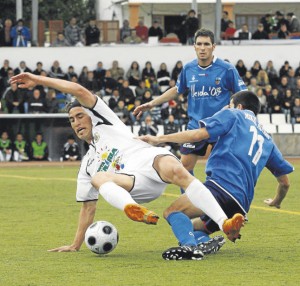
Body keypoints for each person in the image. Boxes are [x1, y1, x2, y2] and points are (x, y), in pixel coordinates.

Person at [11, 72, 243, 254]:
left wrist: (38, 80)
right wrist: (75, 244)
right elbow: (88, 208)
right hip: (132, 184)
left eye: (80, 116)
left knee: (176, 169)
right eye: (71, 120)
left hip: (148, 159)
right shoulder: (87, 163)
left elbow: (78, 89)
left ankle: (225, 223)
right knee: (97, 177)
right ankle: (133, 210)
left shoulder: (105, 120)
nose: (76, 122)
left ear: (91, 115)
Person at [138, 90, 294, 260]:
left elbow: (197, 135)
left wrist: (159, 139)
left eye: (230, 104)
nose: (227, 106)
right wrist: (276, 201)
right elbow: (285, 182)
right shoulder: (268, 140)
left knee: (172, 212)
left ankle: (190, 249)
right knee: (195, 227)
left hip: (220, 186)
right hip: (241, 204)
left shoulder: (234, 115)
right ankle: (203, 242)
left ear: (239, 106)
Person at [133, 28, 247, 194]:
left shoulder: (227, 69)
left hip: (220, 126)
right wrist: (151, 103)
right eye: (199, 44)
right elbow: (177, 90)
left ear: (213, 47)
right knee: (184, 167)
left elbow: (242, 94)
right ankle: (188, 205)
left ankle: (234, 207)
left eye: (206, 44)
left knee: (223, 170)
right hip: (196, 126)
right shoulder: (188, 68)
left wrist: (233, 109)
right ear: (194, 46)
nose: (202, 48)